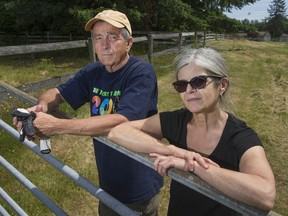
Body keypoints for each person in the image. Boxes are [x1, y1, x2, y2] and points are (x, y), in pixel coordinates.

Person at [13, 9, 163, 216]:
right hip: (108, 178)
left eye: (113, 37)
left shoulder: (141, 73)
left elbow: (122, 121)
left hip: (138, 179)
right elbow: (56, 93)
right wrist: (40, 109)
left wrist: (58, 126)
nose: (105, 44)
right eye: (98, 37)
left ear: (129, 44)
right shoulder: (93, 72)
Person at [108, 47, 276, 216]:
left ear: (222, 85)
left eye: (198, 81)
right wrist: (172, 151)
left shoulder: (240, 137)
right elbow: (118, 132)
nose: (189, 90)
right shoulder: (176, 121)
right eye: (181, 85)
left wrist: (193, 166)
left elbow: (266, 195)